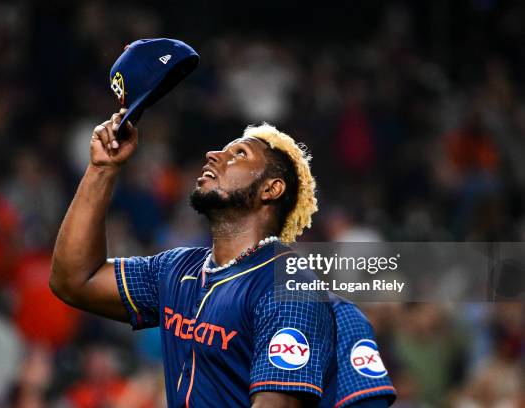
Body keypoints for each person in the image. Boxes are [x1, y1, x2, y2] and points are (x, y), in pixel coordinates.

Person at [50, 110, 396, 407]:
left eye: (239, 154)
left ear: (270, 189)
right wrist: (101, 168)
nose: (214, 155)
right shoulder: (177, 269)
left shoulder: (288, 287)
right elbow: (74, 281)